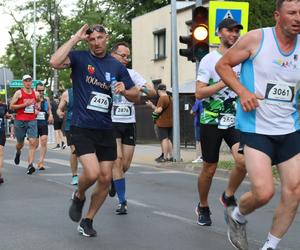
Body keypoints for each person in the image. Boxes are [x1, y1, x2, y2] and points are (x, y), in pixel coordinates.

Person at [215, 1, 300, 249]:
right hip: (256, 127)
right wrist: (242, 91)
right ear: (277, 15)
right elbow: (223, 65)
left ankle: (270, 246)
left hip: (290, 127)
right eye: (292, 13)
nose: (298, 18)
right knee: (264, 192)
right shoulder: (256, 39)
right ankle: (237, 216)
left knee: (294, 191)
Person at [50, 24, 139, 237]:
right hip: (82, 127)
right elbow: (54, 61)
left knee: (106, 179)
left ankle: (87, 220)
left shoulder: (115, 65)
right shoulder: (79, 58)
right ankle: (79, 195)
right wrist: (75, 37)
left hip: (106, 128)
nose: (96, 43)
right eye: (92, 39)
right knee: (92, 173)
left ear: (106, 38)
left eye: (100, 38)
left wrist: (124, 90)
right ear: (87, 42)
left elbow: (136, 94)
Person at [194, 18, 246, 226]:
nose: (234, 34)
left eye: (237, 31)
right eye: (230, 30)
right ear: (219, 33)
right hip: (211, 120)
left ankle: (228, 194)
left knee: (243, 161)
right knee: (209, 168)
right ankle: (203, 205)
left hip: (236, 119)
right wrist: (225, 80)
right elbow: (199, 92)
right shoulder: (209, 60)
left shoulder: (244, 59)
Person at [109, 41, 156, 214]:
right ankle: (122, 202)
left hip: (129, 122)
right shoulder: (105, 72)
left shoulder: (131, 74)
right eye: (123, 55)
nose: (126, 59)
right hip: (111, 122)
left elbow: (152, 92)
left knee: (126, 165)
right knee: (117, 160)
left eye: (128, 56)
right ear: (113, 54)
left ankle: (114, 181)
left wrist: (140, 88)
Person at [10, 74, 40, 175]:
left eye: (30, 81)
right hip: (20, 120)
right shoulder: (19, 93)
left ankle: (30, 165)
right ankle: (18, 152)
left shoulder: (36, 94)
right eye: (26, 81)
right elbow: (11, 106)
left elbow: (38, 102)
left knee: (32, 142)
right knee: (20, 143)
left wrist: (37, 109)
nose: (28, 82)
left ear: (32, 82)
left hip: (32, 120)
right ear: (23, 82)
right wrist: (24, 105)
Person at [57, 85, 79, 185]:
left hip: (86, 125)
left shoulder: (88, 89)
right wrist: (59, 113)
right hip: (71, 125)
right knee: (74, 150)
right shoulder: (67, 94)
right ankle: (74, 176)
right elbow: (59, 109)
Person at [147, 84, 173, 162]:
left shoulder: (162, 98)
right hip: (170, 122)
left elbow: (159, 110)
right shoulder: (169, 97)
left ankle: (164, 157)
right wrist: (152, 106)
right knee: (169, 140)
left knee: (164, 139)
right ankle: (171, 156)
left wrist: (154, 112)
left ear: (158, 91)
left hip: (162, 122)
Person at [35, 82, 53, 170]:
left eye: (42, 90)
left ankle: (41, 162)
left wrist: (51, 115)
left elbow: (49, 109)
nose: (41, 92)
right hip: (34, 123)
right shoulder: (33, 98)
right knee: (35, 144)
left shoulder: (46, 99)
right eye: (39, 90)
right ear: (36, 90)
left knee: (44, 141)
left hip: (43, 123)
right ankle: (31, 160)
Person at [0, 97, 13, 183]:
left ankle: (0, 174)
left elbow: (6, 114)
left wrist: (9, 116)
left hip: (1, 132)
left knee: (0, 152)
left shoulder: (3, 106)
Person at [190, 99, 203, 163]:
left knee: (198, 141)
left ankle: (199, 157)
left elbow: (192, 111)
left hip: (199, 123)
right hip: (208, 123)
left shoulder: (198, 100)